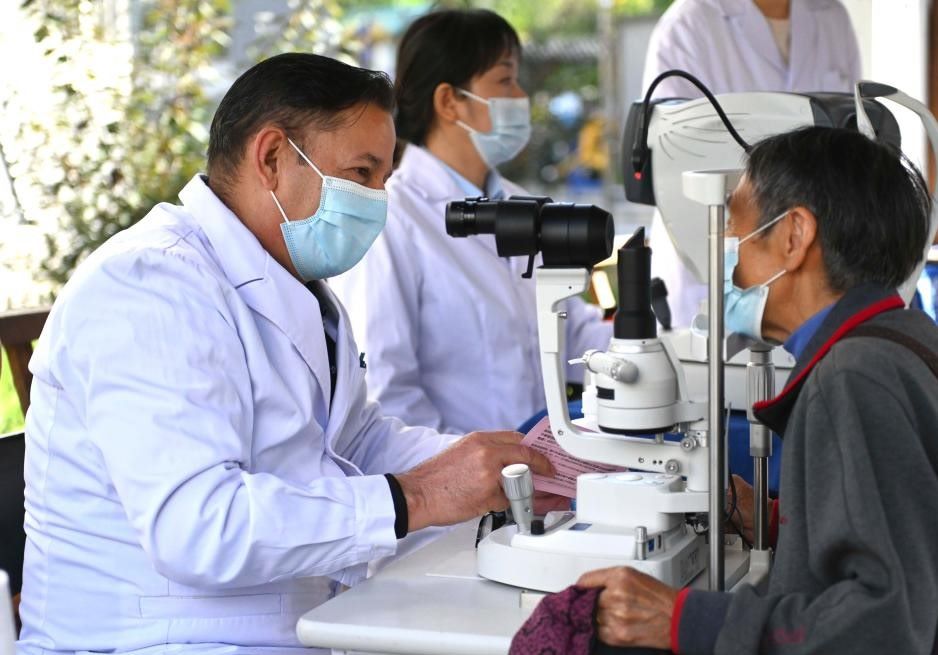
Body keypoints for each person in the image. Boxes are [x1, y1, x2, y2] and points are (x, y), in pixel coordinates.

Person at [16, 53, 557, 655]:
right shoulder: (149, 285)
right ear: (272, 157)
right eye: (362, 172)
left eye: (385, 178)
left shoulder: (293, 283)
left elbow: (354, 443)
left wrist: (500, 464)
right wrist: (420, 496)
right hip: (155, 642)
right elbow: (198, 527)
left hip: (298, 625)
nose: (380, 199)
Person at [572, 127, 938, 653]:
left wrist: (682, 620)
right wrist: (783, 519)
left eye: (734, 228)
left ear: (793, 236)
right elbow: (909, 530)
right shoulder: (904, 339)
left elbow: (882, 624)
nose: (726, 253)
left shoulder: (852, 378)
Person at [331, 9, 612, 435]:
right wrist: (460, 474)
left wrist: (667, 346)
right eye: (505, 80)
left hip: (542, 471)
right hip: (457, 483)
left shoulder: (522, 204)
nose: (521, 96)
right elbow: (386, 391)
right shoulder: (393, 218)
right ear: (449, 101)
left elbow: (571, 334)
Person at [641, 0, 862, 327]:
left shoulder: (831, 16)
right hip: (713, 278)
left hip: (813, 280)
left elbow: (851, 143)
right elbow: (675, 170)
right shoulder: (688, 26)